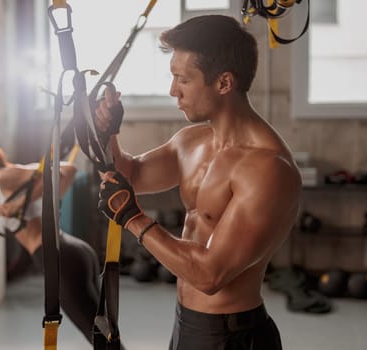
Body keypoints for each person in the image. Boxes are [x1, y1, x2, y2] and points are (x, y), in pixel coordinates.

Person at [94, 15, 301, 350]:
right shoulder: (191, 141)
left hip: (232, 336)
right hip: (187, 323)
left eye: (183, 79)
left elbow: (210, 276)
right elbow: (130, 175)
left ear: (223, 83)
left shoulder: (267, 168)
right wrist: (107, 134)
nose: (173, 90)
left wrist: (134, 220)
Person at [0, 134, 100, 344]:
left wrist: (18, 204)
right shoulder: (11, 175)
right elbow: (64, 173)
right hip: (70, 252)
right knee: (102, 334)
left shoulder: (5, 176)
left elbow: (63, 171)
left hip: (61, 258)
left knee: (99, 337)